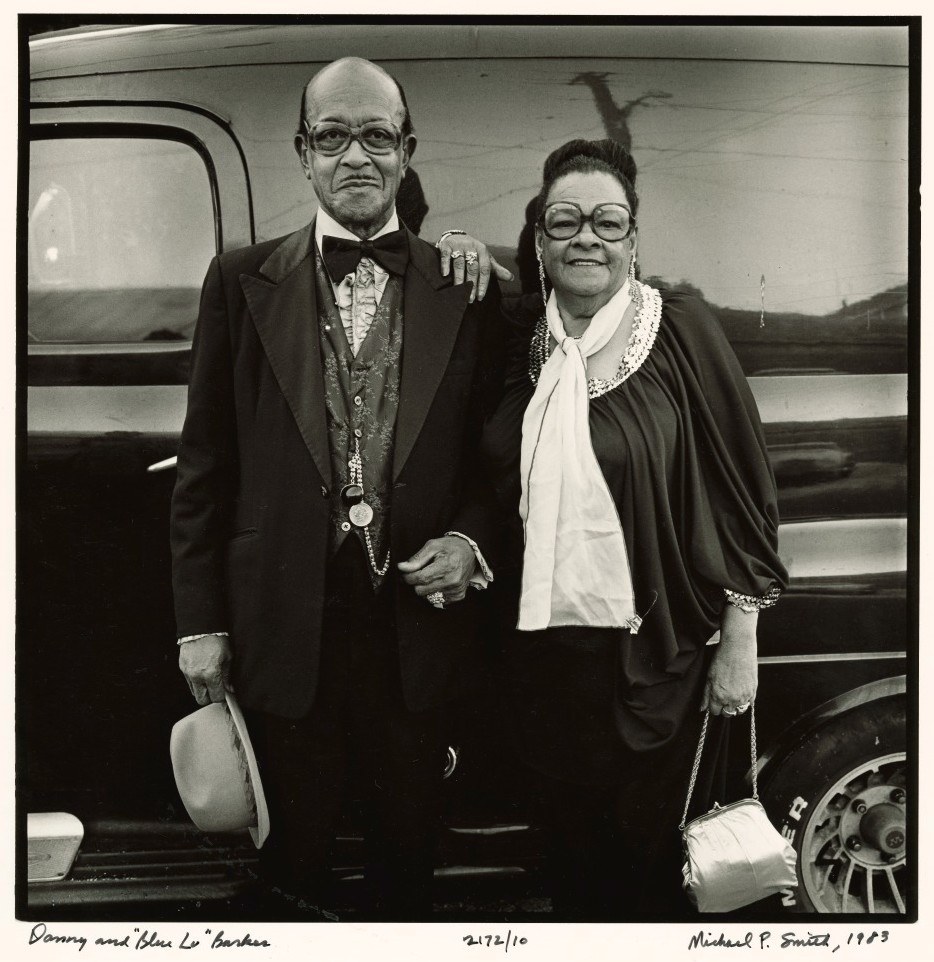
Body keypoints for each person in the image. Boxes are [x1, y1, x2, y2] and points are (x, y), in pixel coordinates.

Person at [170, 57, 508, 920]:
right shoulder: (239, 282)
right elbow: (206, 462)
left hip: (415, 634)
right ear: (303, 152)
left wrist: (471, 543)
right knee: (292, 863)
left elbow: (499, 456)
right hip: (282, 627)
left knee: (409, 863)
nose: (354, 157)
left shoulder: (463, 286)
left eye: (376, 136)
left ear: (406, 151)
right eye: (332, 137)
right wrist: (201, 623)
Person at [478, 138, 788, 920]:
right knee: (570, 867)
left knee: (649, 874)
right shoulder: (517, 339)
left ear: (633, 242)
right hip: (542, 664)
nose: (588, 236)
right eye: (566, 220)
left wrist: (741, 643)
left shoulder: (678, 329)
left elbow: (744, 489)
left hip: (656, 664)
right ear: (540, 241)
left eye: (608, 222)